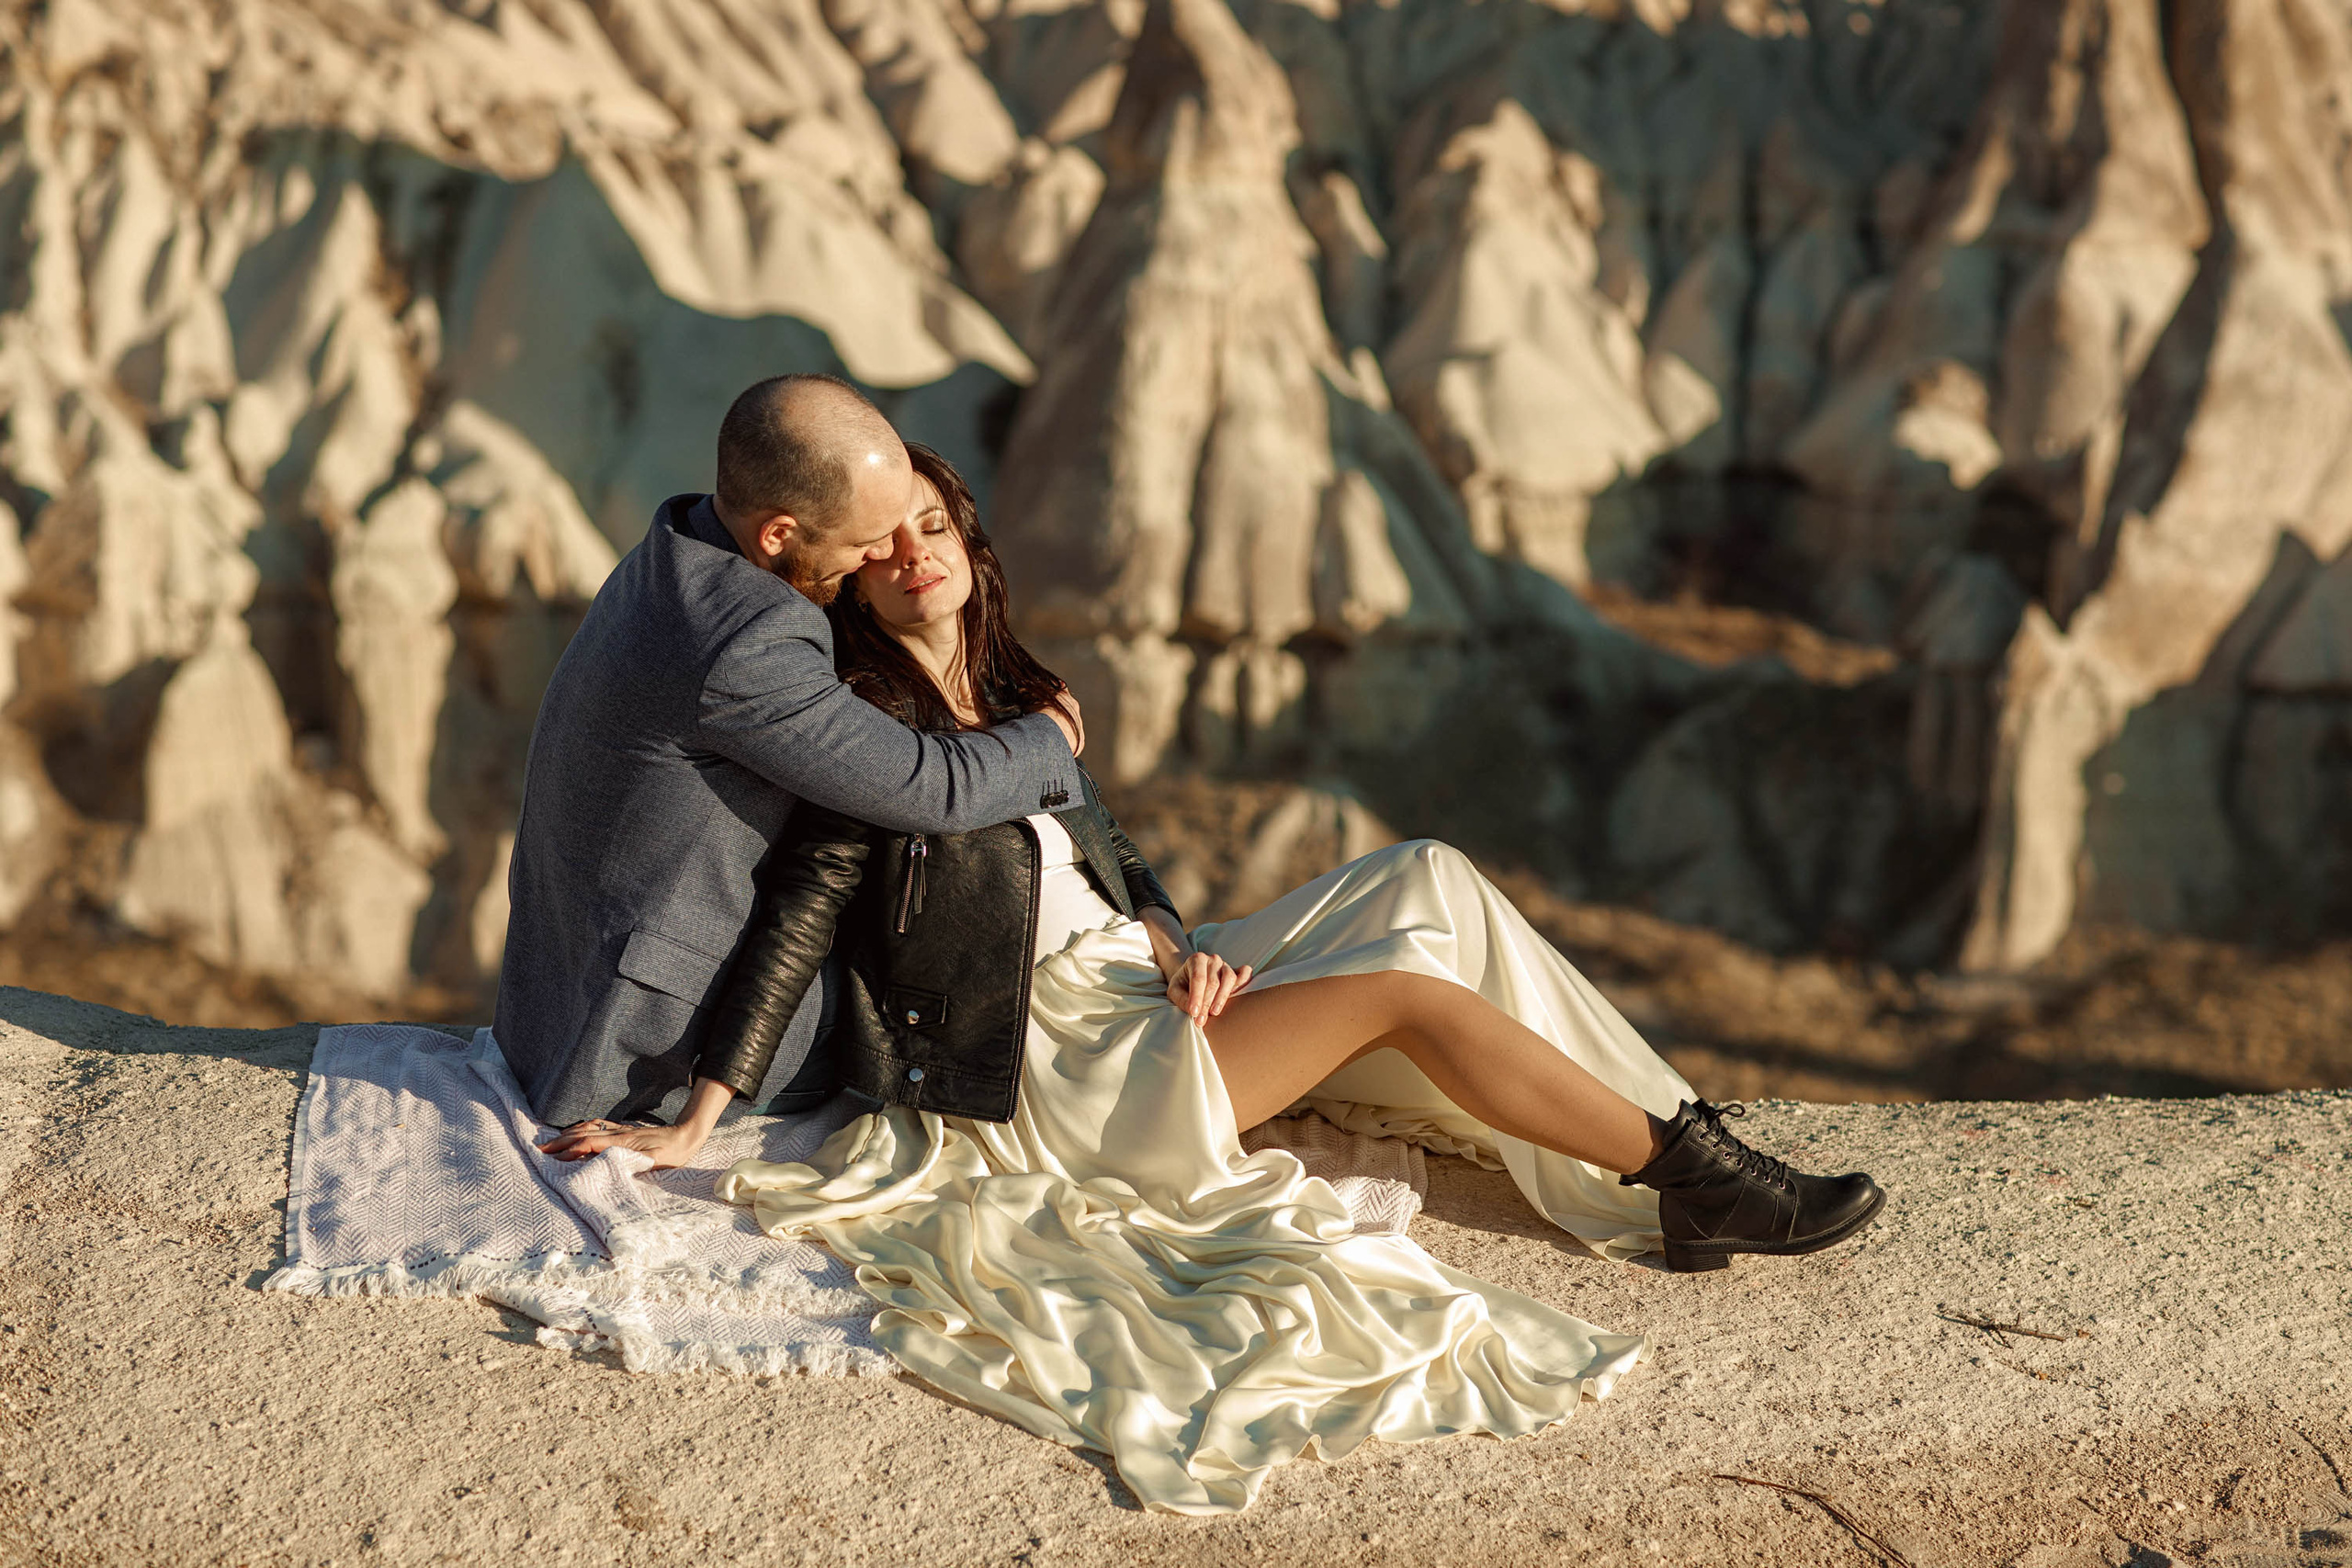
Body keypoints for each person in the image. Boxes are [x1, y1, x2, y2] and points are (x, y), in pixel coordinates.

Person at [553, 446, 1887, 1515]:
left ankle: (1659, 1118)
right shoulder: (870, 730)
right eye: (886, 545)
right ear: (850, 577)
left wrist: (1183, 943)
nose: (913, 557)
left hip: (1136, 990)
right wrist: (702, 1110)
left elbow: (1109, 862)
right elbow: (802, 912)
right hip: (1057, 1065)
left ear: (972, 548)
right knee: (1409, 994)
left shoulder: (1018, 695)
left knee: (1425, 873)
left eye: (937, 530)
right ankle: (1690, 1172)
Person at [498, 375, 1083, 1143]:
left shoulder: (676, 546)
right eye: (862, 540)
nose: (884, 553)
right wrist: (1053, 733)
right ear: (778, 533)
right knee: (969, 1006)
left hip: (548, 995)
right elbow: (929, 787)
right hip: (645, 1039)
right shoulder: (747, 642)